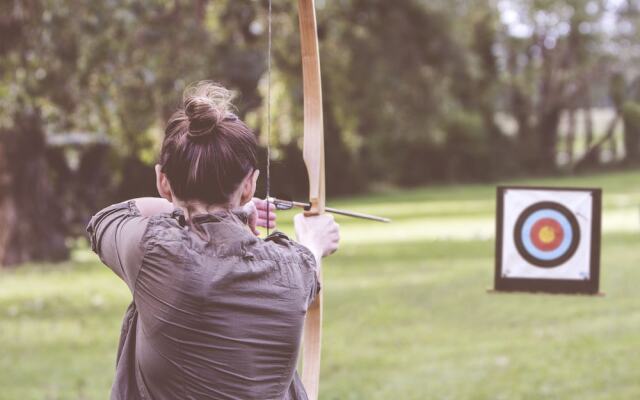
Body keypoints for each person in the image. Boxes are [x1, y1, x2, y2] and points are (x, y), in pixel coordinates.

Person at [86, 81, 340, 400]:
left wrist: (189, 205)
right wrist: (314, 241)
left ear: (163, 181)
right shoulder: (293, 267)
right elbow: (308, 268)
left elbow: (107, 219)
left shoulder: (154, 251)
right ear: (249, 186)